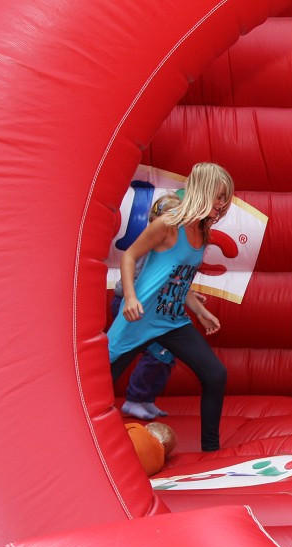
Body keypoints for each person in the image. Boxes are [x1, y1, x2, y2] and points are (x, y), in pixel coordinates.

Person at [108, 162, 232, 452]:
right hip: (139, 317)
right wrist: (129, 297)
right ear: (202, 191)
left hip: (171, 320)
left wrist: (200, 312)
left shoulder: (202, 231)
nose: (222, 204)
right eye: (219, 196)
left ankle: (211, 449)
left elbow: (177, 279)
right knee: (97, 384)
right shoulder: (168, 225)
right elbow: (129, 256)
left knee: (216, 374)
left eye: (225, 199)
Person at [111, 195, 181, 421]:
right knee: (156, 352)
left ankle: (146, 398)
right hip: (133, 305)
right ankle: (133, 399)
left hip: (154, 308)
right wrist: (131, 297)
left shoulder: (171, 247)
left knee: (167, 354)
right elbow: (138, 271)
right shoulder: (152, 244)